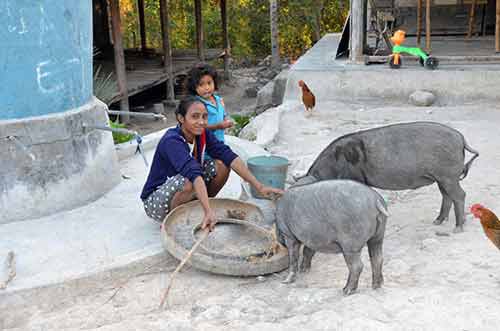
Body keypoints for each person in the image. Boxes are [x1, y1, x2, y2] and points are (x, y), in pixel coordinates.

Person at [140, 96, 283, 231]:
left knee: (222, 165)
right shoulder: (172, 141)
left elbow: (229, 156)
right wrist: (209, 211)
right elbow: (193, 174)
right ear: (181, 118)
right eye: (195, 117)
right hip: (155, 200)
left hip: (182, 186)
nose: (201, 122)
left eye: (204, 117)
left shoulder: (201, 133)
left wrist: (259, 186)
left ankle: (203, 207)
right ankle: (173, 222)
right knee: (190, 180)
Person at [185, 63, 233, 143]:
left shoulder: (219, 100)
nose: (206, 88)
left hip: (220, 142)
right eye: (201, 84)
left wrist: (226, 123)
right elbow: (197, 127)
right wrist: (217, 126)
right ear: (193, 86)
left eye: (209, 83)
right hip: (205, 147)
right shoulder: (196, 104)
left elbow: (223, 117)